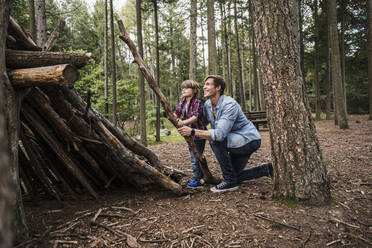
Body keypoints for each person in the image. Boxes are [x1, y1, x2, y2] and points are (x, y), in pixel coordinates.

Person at [178, 75, 273, 193]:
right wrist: (184, 122)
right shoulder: (208, 105)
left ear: (218, 88)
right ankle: (267, 170)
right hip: (234, 141)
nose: (204, 87)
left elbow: (219, 134)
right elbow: (203, 123)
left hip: (249, 140)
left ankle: (229, 182)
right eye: (204, 84)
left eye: (208, 84)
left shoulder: (229, 104)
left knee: (215, 140)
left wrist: (192, 131)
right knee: (234, 175)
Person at [174, 80, 208, 188]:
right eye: (182, 88)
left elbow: (195, 117)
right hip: (189, 135)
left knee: (195, 157)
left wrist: (182, 122)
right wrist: (175, 118)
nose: (183, 90)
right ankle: (201, 177)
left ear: (194, 91)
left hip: (198, 134)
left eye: (187, 88)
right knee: (193, 156)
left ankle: (198, 179)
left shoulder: (197, 102)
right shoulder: (182, 102)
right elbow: (176, 113)